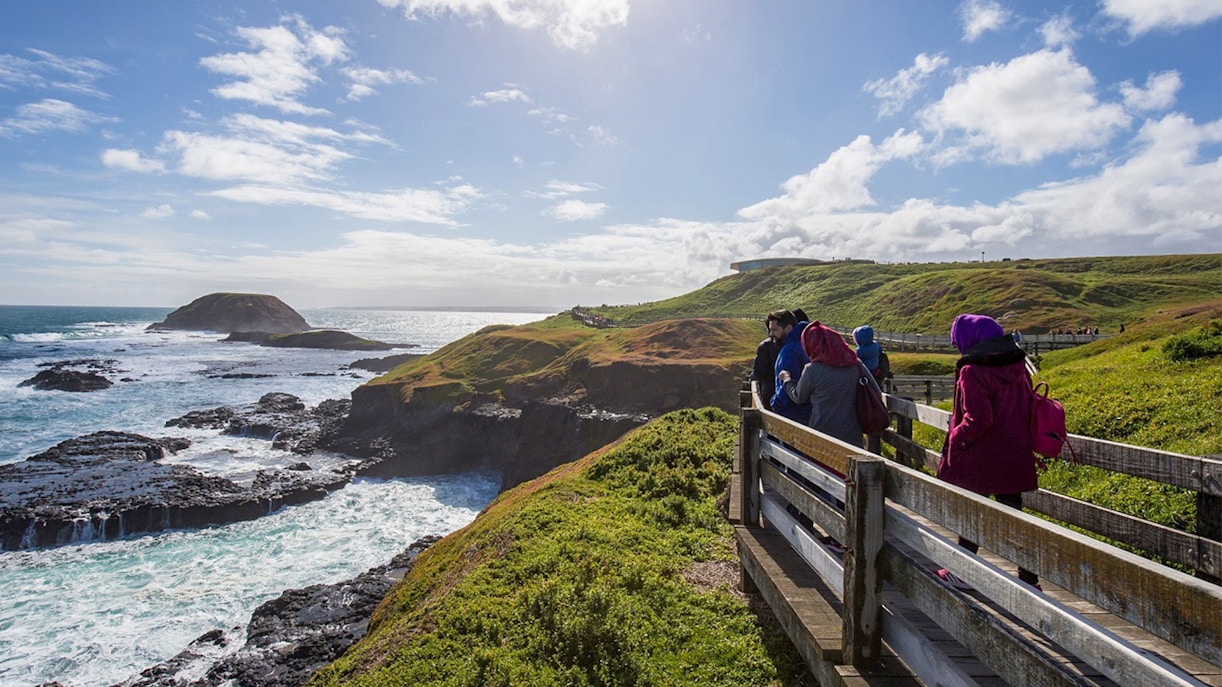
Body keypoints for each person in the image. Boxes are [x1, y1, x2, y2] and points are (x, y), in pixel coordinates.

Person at [935, 314, 1040, 591]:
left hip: (982, 455)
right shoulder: (1019, 366)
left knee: (972, 515)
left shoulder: (972, 371)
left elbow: (978, 418)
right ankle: (1030, 581)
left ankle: (962, 572)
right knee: (1015, 520)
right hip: (1014, 453)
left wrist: (955, 439)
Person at [778, 321, 881, 448]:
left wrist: (787, 380)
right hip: (852, 433)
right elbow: (875, 390)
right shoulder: (855, 364)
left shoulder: (812, 370)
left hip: (822, 433)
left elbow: (798, 397)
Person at [766, 309, 811, 423]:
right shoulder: (805, 344)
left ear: (789, 328)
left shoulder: (789, 351)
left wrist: (775, 403)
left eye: (775, 330)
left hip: (792, 414)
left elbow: (790, 385)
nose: (771, 334)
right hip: (808, 412)